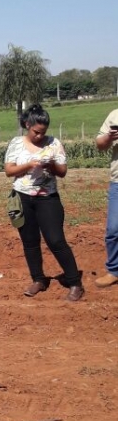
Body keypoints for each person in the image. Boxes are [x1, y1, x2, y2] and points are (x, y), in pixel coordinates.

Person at [4, 104, 83, 301]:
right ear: (27, 125)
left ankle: (75, 283)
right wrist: (29, 164)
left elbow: (63, 172)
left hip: (48, 198)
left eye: (43, 132)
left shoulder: (54, 143)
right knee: (30, 242)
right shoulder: (16, 143)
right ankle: (38, 279)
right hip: (22, 197)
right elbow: (9, 171)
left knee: (56, 240)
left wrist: (51, 164)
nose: (40, 136)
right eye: (36, 132)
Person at [94, 108, 118, 288]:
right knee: (113, 230)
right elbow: (100, 145)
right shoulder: (114, 115)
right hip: (117, 182)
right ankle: (114, 270)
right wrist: (110, 137)